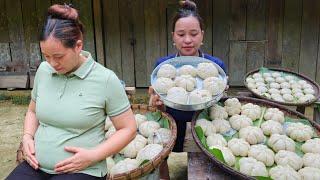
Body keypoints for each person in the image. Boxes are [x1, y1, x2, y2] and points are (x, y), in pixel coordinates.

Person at [7, 4, 136, 180]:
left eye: (58, 56)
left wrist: (93, 156)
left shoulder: (105, 79)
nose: (52, 63)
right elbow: (32, 111)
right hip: (36, 165)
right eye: (46, 56)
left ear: (78, 46)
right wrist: (27, 137)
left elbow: (128, 129)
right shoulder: (44, 71)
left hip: (82, 170)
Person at [149, 0, 227, 179]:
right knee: (158, 139)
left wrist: (222, 93)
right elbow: (160, 107)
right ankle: (164, 174)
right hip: (173, 120)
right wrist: (157, 105)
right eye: (181, 34)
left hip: (204, 123)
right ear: (173, 37)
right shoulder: (162, 66)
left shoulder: (216, 67)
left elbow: (217, 105)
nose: (187, 40)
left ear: (202, 35)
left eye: (194, 33)